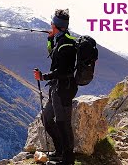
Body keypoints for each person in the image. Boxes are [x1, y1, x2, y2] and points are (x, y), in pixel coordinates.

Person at [33, 9, 78, 165]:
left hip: (64, 90)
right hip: (56, 89)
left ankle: (68, 159)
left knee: (63, 123)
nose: (50, 24)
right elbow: (53, 55)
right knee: (46, 118)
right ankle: (59, 151)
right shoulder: (60, 40)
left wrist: (43, 77)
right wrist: (50, 39)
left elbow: (64, 71)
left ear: (56, 25)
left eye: (52, 22)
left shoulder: (67, 44)